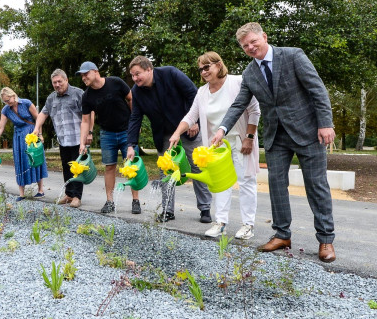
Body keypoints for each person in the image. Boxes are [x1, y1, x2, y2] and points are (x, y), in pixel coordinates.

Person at [210, 22, 336, 262]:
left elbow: (317, 89)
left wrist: (325, 123)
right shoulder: (249, 73)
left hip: (308, 132)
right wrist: (222, 129)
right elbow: (239, 104)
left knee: (316, 186)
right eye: (245, 45)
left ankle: (326, 239)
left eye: (253, 42)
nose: (250, 47)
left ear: (264, 37)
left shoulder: (293, 55)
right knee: (277, 186)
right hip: (276, 136)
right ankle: (282, 234)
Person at [169, 51, 260, 239]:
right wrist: (177, 133)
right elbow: (191, 116)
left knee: (246, 182)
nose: (203, 72)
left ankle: (248, 225)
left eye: (207, 67)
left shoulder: (237, 82)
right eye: (200, 69)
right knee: (220, 185)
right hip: (216, 146)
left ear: (219, 65)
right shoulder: (202, 92)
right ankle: (220, 223)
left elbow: (254, 110)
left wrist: (249, 137)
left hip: (240, 140)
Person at [126, 56, 212, 223]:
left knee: (197, 167)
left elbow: (194, 95)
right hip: (164, 134)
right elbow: (135, 117)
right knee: (166, 170)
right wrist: (131, 144)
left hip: (188, 128)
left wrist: (194, 121)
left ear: (149, 69)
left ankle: (205, 208)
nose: (135, 78)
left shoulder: (170, 73)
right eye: (133, 75)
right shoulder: (136, 91)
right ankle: (168, 210)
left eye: (138, 74)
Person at [77, 61, 141, 214]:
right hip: (107, 134)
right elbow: (85, 121)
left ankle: (136, 200)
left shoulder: (115, 82)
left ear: (96, 71)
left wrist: (135, 125)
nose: (83, 77)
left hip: (126, 131)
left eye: (86, 74)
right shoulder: (86, 96)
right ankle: (110, 201)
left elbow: (132, 98)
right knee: (110, 167)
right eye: (81, 75)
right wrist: (81, 143)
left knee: (131, 166)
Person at [32, 68, 92, 208]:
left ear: (66, 80)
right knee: (66, 168)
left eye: (60, 81)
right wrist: (36, 128)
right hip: (63, 140)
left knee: (77, 168)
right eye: (54, 82)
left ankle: (77, 196)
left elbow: (89, 114)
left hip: (78, 139)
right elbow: (43, 114)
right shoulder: (51, 98)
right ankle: (69, 194)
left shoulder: (78, 93)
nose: (57, 84)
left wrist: (89, 132)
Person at [0, 87, 48, 201]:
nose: (8, 102)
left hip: (31, 134)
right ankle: (21, 193)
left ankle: (40, 190)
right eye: (5, 101)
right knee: (19, 161)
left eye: (8, 99)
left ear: (13, 95)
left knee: (36, 159)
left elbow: (38, 118)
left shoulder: (26, 103)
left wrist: (39, 134)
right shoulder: (6, 110)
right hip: (19, 137)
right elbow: (0, 127)